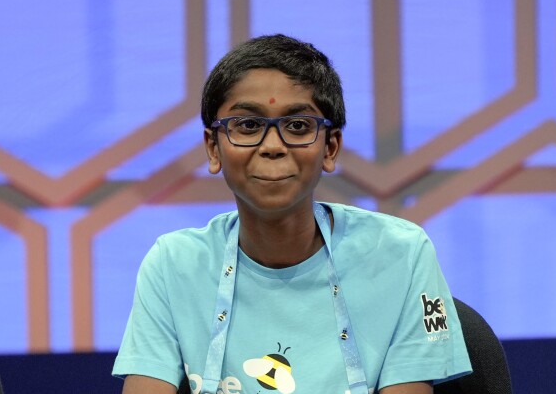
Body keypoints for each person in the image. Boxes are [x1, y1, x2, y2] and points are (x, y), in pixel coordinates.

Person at [112, 34, 472, 394]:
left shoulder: (400, 253)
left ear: (330, 148)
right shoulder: (174, 264)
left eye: (298, 126)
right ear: (213, 147)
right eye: (248, 125)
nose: (272, 146)